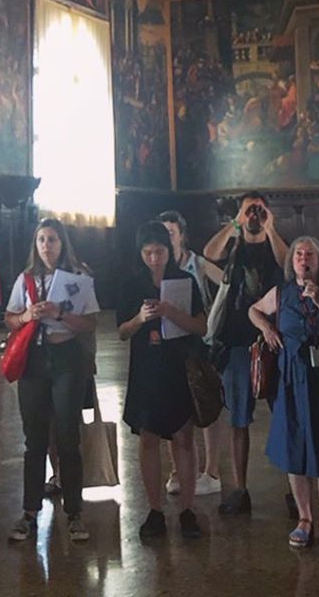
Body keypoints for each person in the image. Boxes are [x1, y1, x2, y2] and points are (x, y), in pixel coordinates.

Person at [249, 235, 319, 551]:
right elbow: (253, 310)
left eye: (310, 254)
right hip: (292, 375)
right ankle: (304, 517)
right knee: (295, 441)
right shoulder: (281, 293)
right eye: (298, 254)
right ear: (291, 261)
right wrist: (266, 328)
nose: (303, 258)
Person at [4, 217, 98, 544]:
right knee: (34, 438)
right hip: (33, 362)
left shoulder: (79, 277)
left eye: (53, 240)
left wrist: (59, 314)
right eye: (42, 240)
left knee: (68, 435)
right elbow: (10, 317)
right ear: (36, 244)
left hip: (66, 359)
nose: (47, 245)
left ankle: (74, 512)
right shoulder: (25, 279)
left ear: (63, 243)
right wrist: (27, 316)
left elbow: (89, 324)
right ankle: (30, 511)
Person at [118, 219, 208, 541]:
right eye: (148, 253)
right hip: (146, 368)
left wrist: (172, 312)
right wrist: (140, 319)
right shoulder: (131, 284)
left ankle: (187, 508)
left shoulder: (185, 280)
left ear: (169, 252)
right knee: (148, 438)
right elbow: (121, 332)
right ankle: (154, 509)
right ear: (140, 253)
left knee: (184, 438)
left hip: (178, 366)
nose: (154, 259)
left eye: (159, 252)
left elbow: (201, 327)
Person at [201, 191, 288, 514]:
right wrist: (234, 225)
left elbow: (287, 263)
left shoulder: (274, 243)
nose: (254, 215)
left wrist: (271, 227)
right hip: (237, 341)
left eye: (259, 209)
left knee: (285, 414)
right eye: (248, 210)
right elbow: (209, 253)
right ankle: (240, 488)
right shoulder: (234, 245)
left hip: (276, 340)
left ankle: (295, 487)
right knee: (239, 418)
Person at [159, 209, 224, 499]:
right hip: (170, 342)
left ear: (182, 235)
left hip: (199, 340)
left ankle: (211, 471)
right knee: (174, 407)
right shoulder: (157, 264)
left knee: (206, 403)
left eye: (171, 233)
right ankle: (177, 469)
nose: (167, 238)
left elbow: (226, 281)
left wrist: (215, 314)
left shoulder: (196, 263)